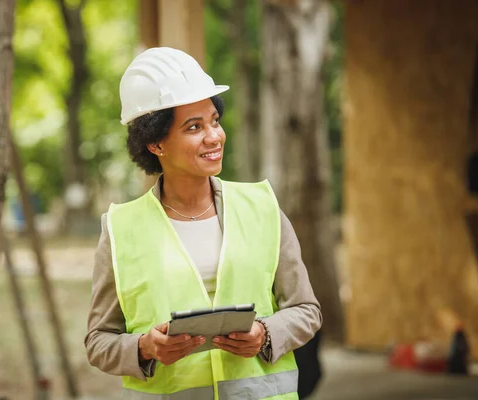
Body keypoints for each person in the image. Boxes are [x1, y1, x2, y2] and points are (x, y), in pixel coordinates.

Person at [85, 47, 322, 399]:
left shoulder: (263, 208)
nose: (214, 136)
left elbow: (307, 310)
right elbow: (98, 341)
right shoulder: (121, 230)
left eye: (214, 120)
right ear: (155, 143)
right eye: (194, 127)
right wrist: (145, 348)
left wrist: (265, 334)